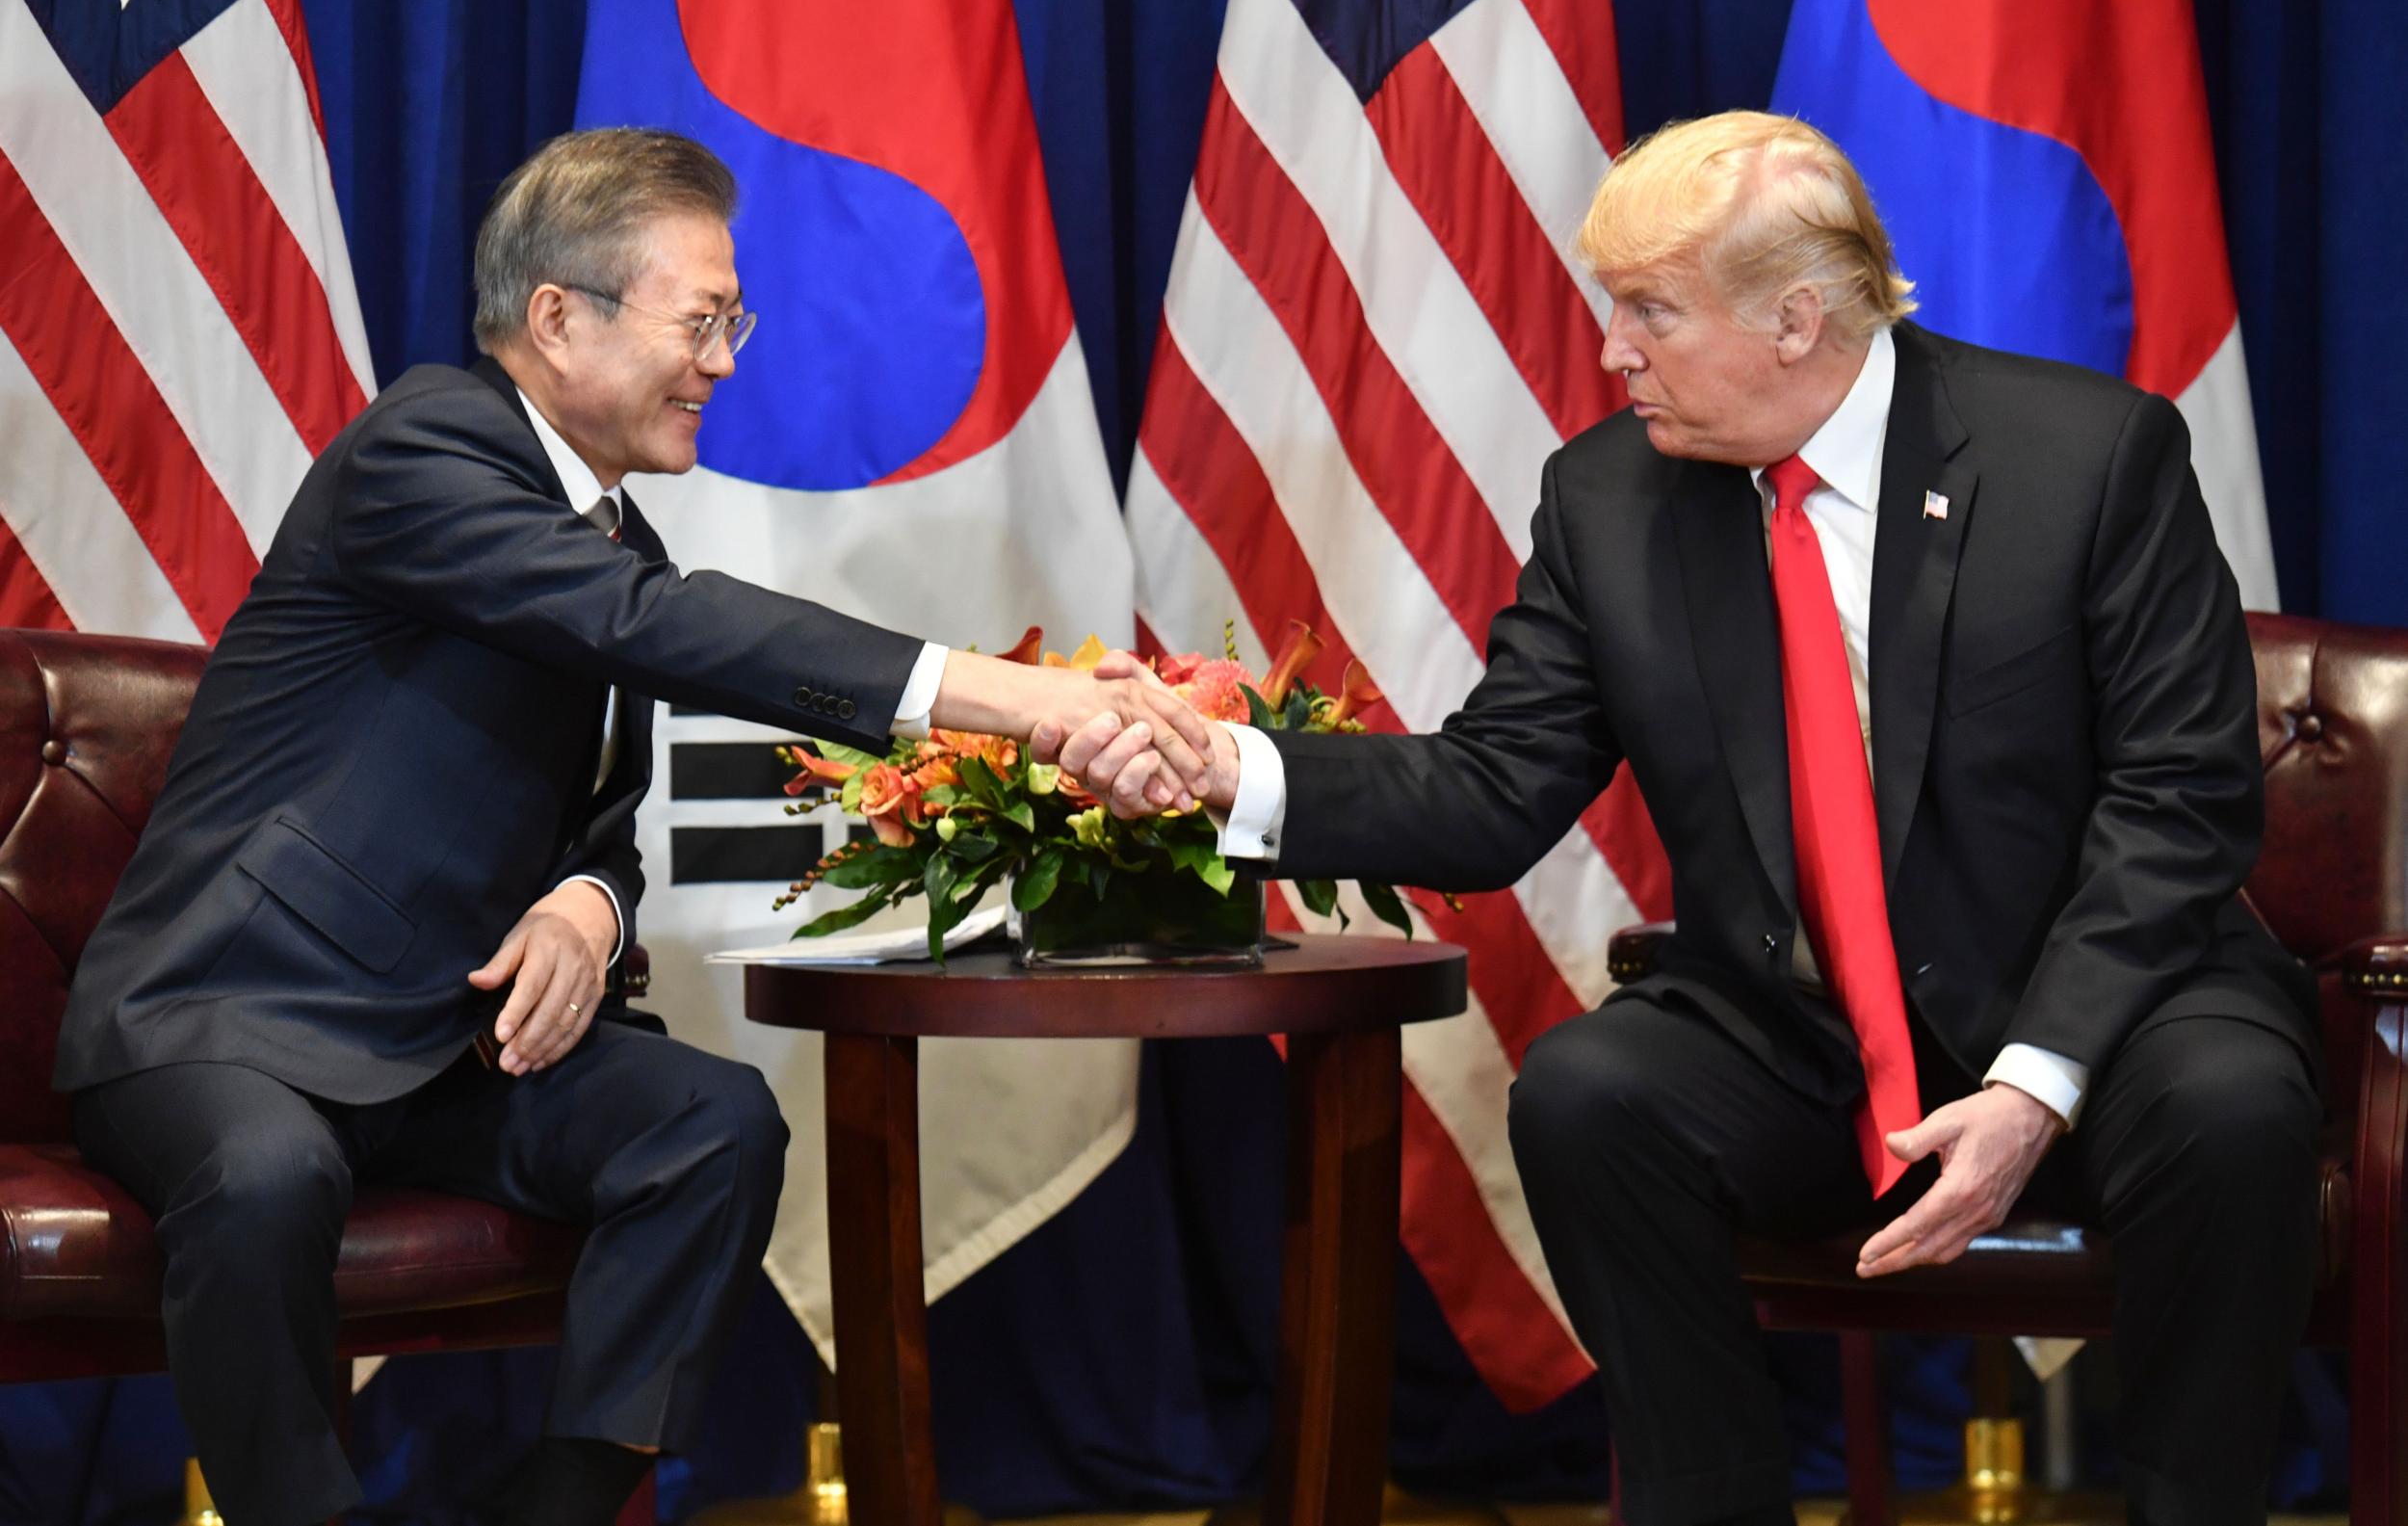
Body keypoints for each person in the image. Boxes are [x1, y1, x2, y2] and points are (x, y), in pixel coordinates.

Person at [1048, 112, 2319, 1526]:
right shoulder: (1608, 500)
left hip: (2111, 1010)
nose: (1613, 351)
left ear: (1795, 318)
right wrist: (1239, 770)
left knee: (2233, 1105)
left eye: (1650, 312)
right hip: (1806, 1029)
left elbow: (2182, 799)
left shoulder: (2089, 456)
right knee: (1593, 1097)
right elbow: (1490, 791)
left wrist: (2032, 1081)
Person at [54, 126, 1213, 1526]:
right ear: (558, 317)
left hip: (439, 1041)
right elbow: (650, 632)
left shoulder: (614, 538)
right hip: (227, 1013)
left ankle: (566, 1506)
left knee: (711, 1122)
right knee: (265, 1172)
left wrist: (586, 907)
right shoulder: (424, 446)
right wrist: (1004, 699)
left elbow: (603, 810)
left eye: (738, 320)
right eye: (703, 319)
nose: (728, 359)